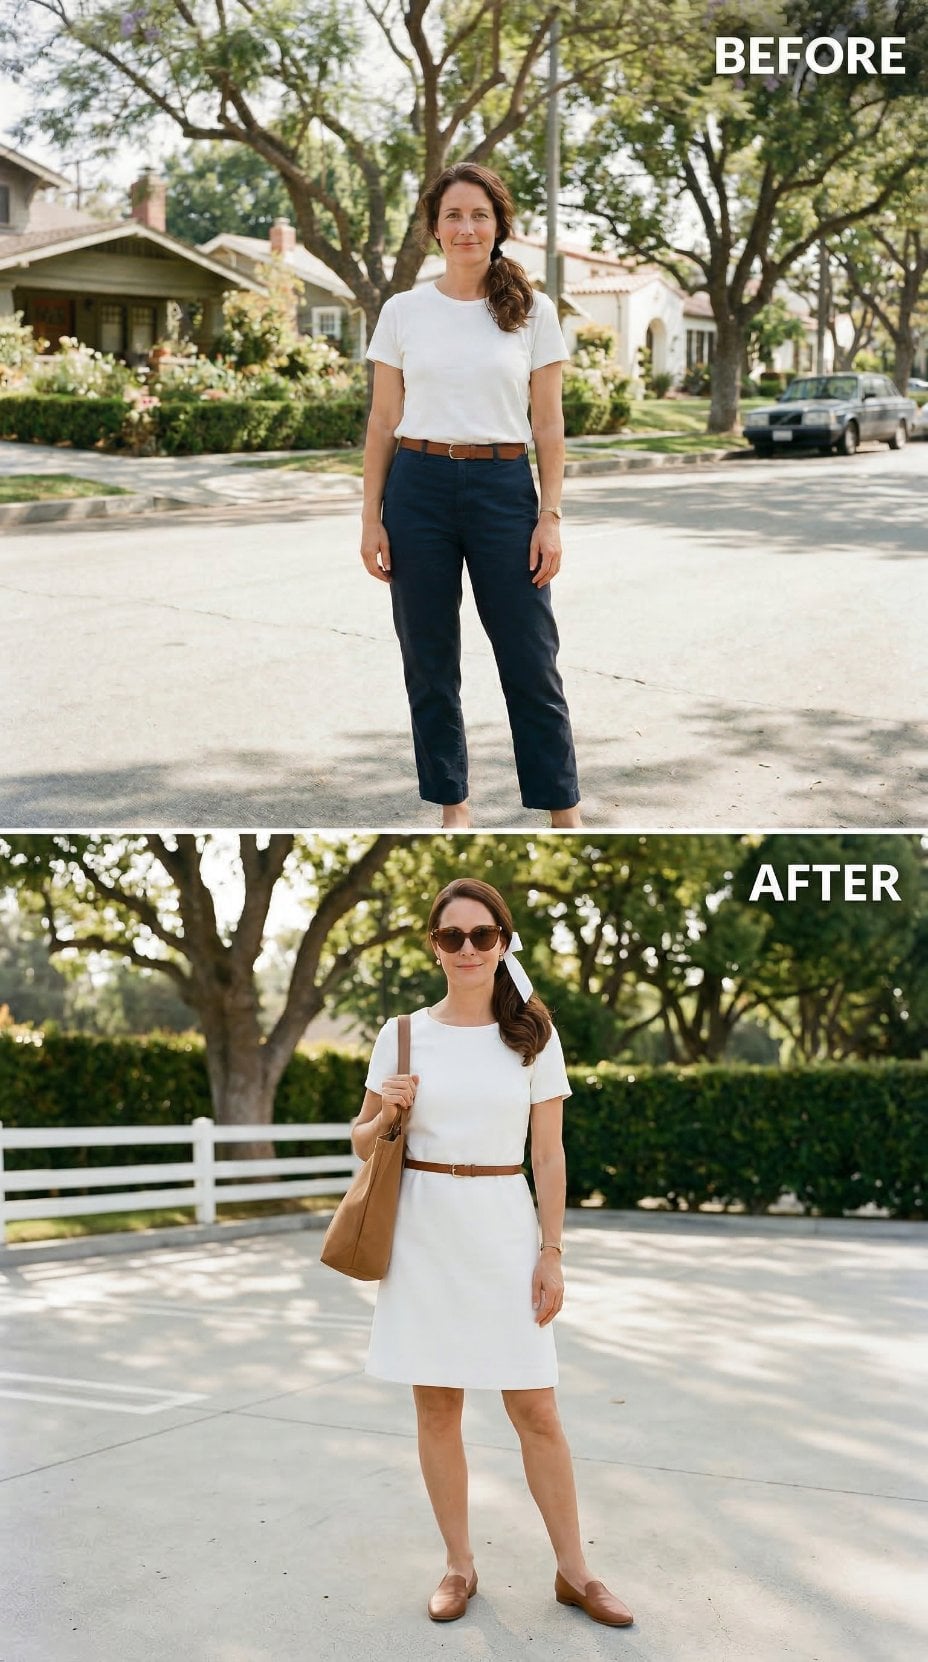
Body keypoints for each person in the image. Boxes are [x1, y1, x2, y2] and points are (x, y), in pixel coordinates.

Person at [349, 877, 634, 1628]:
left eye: (482, 935)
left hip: (505, 1231)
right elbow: (360, 1139)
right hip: (423, 1233)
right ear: (434, 947)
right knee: (438, 1406)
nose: (467, 949)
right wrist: (391, 1111)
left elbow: (549, 1156)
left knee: (536, 1410)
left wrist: (552, 1250)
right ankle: (458, 1565)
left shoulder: (532, 1034)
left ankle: (575, 1572)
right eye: (452, 937)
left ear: (503, 941)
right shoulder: (402, 1033)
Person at [359, 162, 582, 831]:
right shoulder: (403, 311)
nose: (466, 227)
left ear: (499, 225)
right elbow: (381, 421)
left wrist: (550, 516)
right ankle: (453, 804)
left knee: (530, 657)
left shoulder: (532, 312)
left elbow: (548, 423)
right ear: (434, 229)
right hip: (418, 489)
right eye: (453, 215)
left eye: (479, 214)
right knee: (429, 659)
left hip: (503, 489)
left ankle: (561, 809)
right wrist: (371, 517)